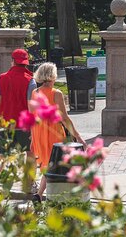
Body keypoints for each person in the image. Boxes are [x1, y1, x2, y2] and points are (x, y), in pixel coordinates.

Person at [30, 62, 85, 200]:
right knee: (55, 163)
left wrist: (32, 138)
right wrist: (78, 137)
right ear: (53, 76)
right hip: (53, 131)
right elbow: (65, 118)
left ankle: (40, 195)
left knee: (47, 164)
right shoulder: (56, 93)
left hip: (38, 131)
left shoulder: (34, 92)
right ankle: (59, 195)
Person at [0, 49, 36, 170]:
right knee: (30, 153)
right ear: (26, 62)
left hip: (6, 122)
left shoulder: (2, 78)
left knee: (3, 153)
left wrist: (2, 114)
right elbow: (30, 105)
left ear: (12, 61)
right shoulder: (30, 80)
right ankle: (30, 183)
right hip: (24, 125)